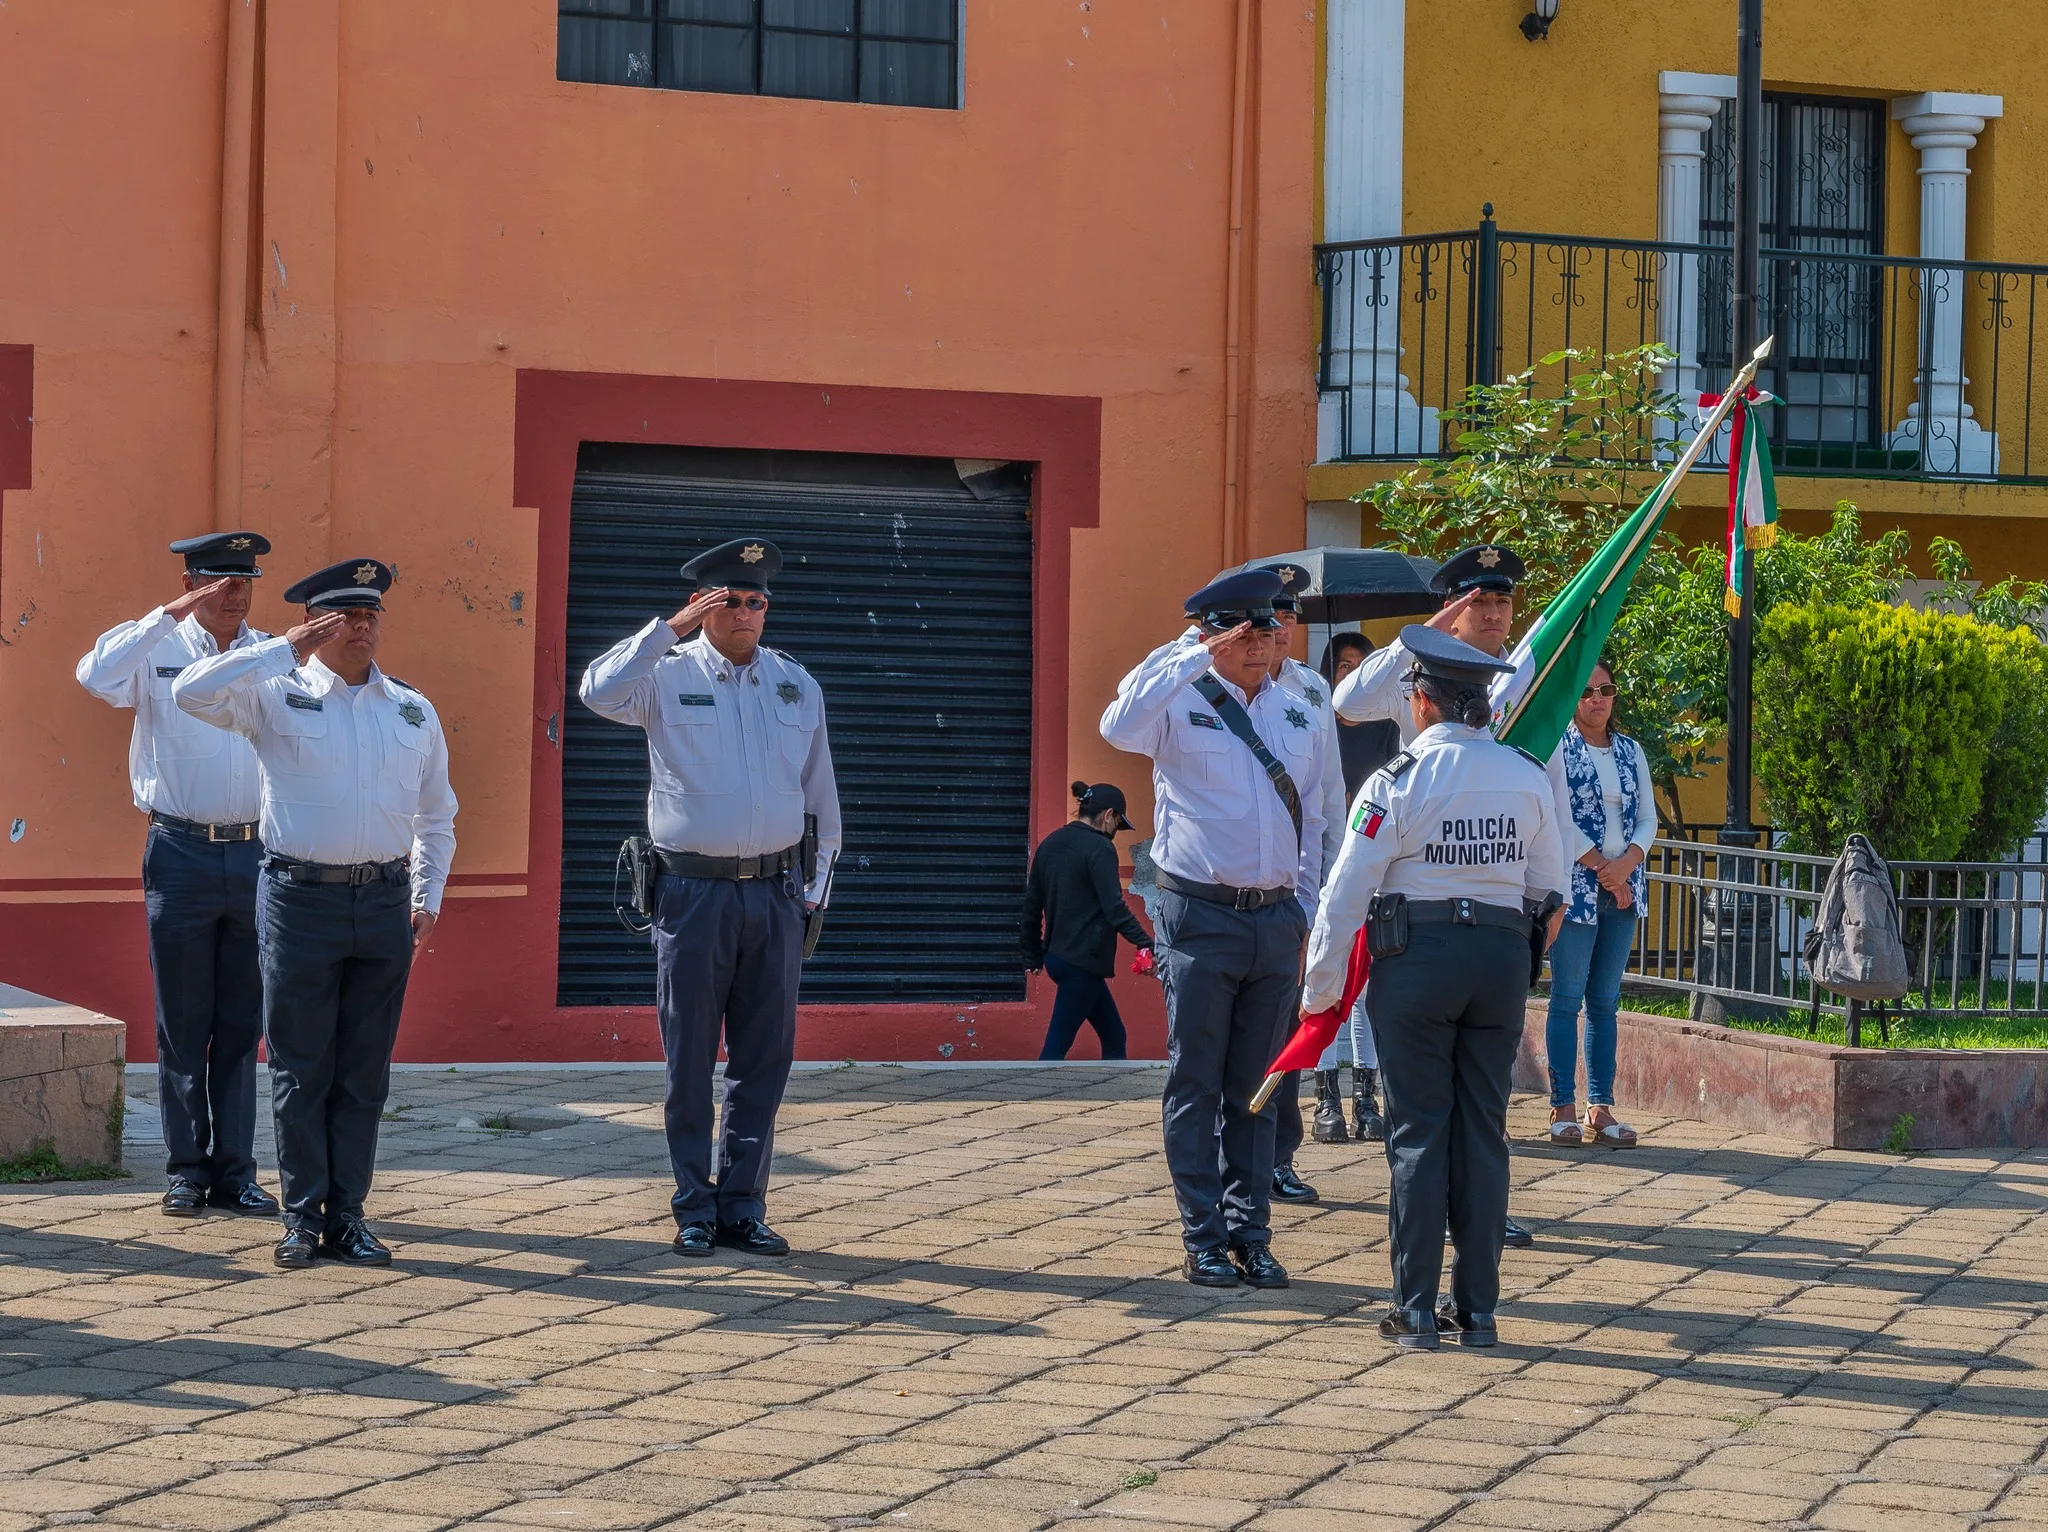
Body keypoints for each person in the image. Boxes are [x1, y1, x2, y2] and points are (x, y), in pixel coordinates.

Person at [174, 558, 457, 1269]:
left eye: (368, 615)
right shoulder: (275, 692)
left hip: (385, 900)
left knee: (364, 1071)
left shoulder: (412, 709)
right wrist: (283, 648)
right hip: (300, 899)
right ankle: (302, 1217)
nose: (359, 628)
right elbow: (189, 692)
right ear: (314, 623)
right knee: (302, 1066)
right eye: (342, 616)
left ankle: (349, 1217)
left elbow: (437, 814)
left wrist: (429, 896)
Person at [1301, 626, 1566, 1350]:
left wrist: (1320, 991)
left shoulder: (1396, 781)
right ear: (1478, 704)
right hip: (1501, 959)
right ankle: (1478, 1312)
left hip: (1416, 959)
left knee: (1418, 1132)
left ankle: (1415, 1309)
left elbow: (1345, 891)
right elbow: (1552, 889)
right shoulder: (1525, 772)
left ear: (1421, 701)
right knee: (1483, 1131)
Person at [578, 537, 841, 1261]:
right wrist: (672, 627)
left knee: (766, 1060)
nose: (747, 612)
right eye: (731, 600)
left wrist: (814, 888)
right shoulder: (662, 678)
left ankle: (743, 1207)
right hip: (692, 893)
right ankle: (694, 1205)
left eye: (757, 601)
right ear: (705, 605)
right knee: (689, 1059)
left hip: (777, 893)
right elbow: (596, 692)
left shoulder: (795, 684)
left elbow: (820, 791)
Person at [1100, 568, 1328, 1290]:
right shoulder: (1176, 696)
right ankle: (1202, 1235)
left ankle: (1250, 1231)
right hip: (1197, 913)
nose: (1262, 644)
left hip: (1274, 916)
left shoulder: (1299, 708)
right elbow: (1118, 725)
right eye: (1246, 632)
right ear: (1213, 633)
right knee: (1196, 1080)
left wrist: (1311, 915)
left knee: (1257, 1086)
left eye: (1268, 630)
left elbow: (1319, 817)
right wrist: (1190, 652)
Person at [1331, 542, 1538, 1249]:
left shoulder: (1529, 666)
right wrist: (1409, 639)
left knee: (1484, 1095)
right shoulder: (1412, 670)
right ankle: (1425, 1217)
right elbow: (1347, 702)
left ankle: (1480, 1211)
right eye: (1478, 603)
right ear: (1451, 611)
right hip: (1420, 883)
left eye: (1502, 602)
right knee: (1425, 1094)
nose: (1493, 614)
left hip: (1496, 894)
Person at [75, 532, 280, 1220]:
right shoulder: (155, 649)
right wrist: (165, 615)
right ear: (192, 582)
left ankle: (238, 1172)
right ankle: (186, 1171)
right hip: (181, 853)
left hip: (256, 853)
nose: (234, 594)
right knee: (183, 1022)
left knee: (242, 1021)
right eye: (219, 582)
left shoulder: (271, 653)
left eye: (244, 582)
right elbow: (94, 676)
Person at [1261, 563, 1347, 1205]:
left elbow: (1328, 799)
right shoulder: (1212, 685)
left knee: (1289, 1027)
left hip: (1299, 890)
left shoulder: (1313, 690)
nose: (1282, 628)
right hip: (1230, 888)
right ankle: (1230, 1153)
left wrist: (1328, 891)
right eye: (1272, 616)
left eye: (1291, 617)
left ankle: (1279, 1155)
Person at [1542, 660, 1652, 1147]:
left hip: (1624, 891)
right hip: (1577, 890)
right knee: (1566, 998)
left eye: (1606, 689)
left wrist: (1625, 865)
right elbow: (1557, 818)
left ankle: (1600, 1107)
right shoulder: (1557, 750)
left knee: (1605, 1001)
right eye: (1587, 691)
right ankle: (1562, 1105)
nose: (1597, 699)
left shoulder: (1631, 751)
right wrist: (1602, 868)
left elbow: (1646, 819)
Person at [1312, 632, 1394, 1145]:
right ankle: (1326, 1099)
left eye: (1360, 667)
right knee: (1325, 984)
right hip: (1323, 864)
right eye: (1342, 665)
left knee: (1363, 987)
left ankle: (1366, 1097)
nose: (1350, 674)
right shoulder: (1315, 726)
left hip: (1372, 862)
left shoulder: (1385, 727)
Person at [1021, 782, 1153, 1061]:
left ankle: (1116, 1097)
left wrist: (1032, 955)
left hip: (1058, 958)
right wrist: (1146, 943)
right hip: (1082, 962)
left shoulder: (1050, 843)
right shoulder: (1100, 848)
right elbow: (1114, 909)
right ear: (1108, 815)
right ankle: (1029, 1101)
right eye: (1118, 822)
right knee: (1055, 1048)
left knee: (1114, 1036)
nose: (1116, 830)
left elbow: (1032, 906)